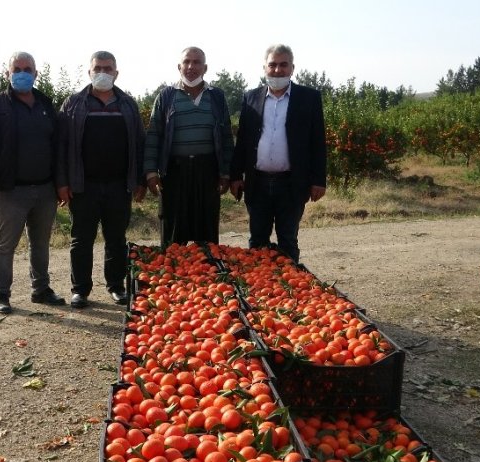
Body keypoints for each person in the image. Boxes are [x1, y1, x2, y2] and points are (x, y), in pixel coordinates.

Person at [0, 51, 66, 314]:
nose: (22, 73)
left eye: (28, 69)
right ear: (8, 74)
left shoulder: (47, 105)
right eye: (17, 69)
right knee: (4, 245)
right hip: (9, 190)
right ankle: (1, 293)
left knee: (41, 243)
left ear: (36, 74)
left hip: (45, 188)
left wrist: (60, 183)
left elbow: (57, 146)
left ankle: (41, 289)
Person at [57, 51, 146, 309]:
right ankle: (80, 290)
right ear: (89, 72)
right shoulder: (73, 104)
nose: (103, 73)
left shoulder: (128, 104)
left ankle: (116, 286)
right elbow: (61, 146)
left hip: (119, 184)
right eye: (98, 68)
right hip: (82, 185)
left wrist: (139, 179)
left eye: (108, 69)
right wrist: (62, 182)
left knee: (116, 239)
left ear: (116, 73)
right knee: (81, 239)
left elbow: (140, 144)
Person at [230, 44, 327, 263]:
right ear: (264, 67)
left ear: (292, 68)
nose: (277, 70)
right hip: (258, 182)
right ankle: (257, 289)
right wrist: (236, 175)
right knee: (257, 241)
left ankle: (291, 289)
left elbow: (317, 142)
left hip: (292, 183)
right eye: (272, 65)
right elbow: (243, 140)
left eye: (283, 65)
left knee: (288, 240)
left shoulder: (308, 98)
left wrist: (318, 179)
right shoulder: (251, 97)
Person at [143, 46, 233, 247]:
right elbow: (154, 136)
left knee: (207, 234)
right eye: (187, 62)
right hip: (174, 172)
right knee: (174, 235)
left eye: (197, 62)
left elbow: (226, 138)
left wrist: (226, 173)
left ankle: (208, 275)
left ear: (205, 67)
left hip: (208, 172)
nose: (191, 67)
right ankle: (174, 276)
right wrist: (151, 172)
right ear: (179, 66)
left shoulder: (217, 97)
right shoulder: (166, 97)